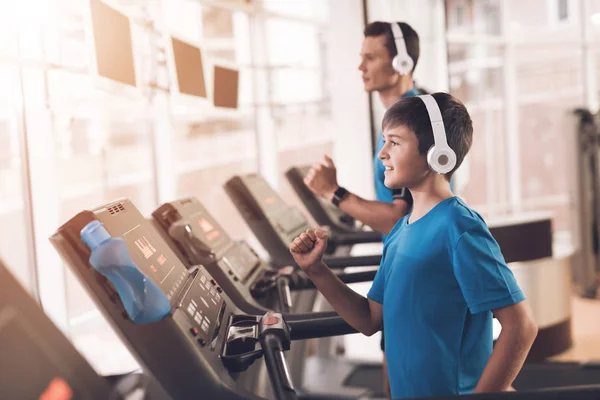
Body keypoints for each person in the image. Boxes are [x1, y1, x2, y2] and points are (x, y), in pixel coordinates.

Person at [289, 93, 538, 399]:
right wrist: (317, 270)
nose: (383, 154)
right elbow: (369, 319)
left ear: (437, 154)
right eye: (384, 141)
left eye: (394, 142)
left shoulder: (460, 228)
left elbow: (521, 327)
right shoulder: (400, 231)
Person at [304, 21, 422, 396]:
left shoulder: (412, 120)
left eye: (371, 57)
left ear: (401, 62)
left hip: (413, 267)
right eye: (361, 57)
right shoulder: (398, 118)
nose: (361, 67)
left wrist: (333, 192)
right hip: (400, 262)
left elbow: (399, 215)